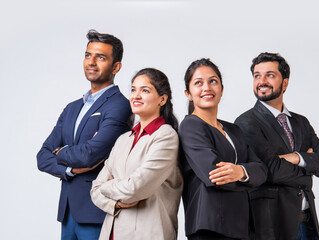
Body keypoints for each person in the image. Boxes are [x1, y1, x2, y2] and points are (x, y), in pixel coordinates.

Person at [234, 52, 319, 240]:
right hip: (272, 225)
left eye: (270, 75)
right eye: (257, 75)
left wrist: (297, 157)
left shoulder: (301, 123)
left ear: (285, 82)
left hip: (307, 223)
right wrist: (308, 172)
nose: (262, 81)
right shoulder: (246, 122)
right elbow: (271, 170)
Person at [37, 30, 132, 239]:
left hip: (97, 210)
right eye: (88, 55)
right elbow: (42, 156)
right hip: (68, 212)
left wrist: (60, 151)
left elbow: (91, 154)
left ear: (116, 66)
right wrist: (70, 169)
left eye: (101, 57)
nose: (91, 62)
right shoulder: (71, 108)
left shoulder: (120, 105)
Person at [179, 58, 267, 240]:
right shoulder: (191, 126)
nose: (207, 88)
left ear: (221, 88)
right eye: (198, 83)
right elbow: (214, 175)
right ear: (188, 93)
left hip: (241, 225)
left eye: (213, 81)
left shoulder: (234, 130)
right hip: (210, 227)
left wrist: (241, 171)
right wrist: (246, 176)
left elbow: (262, 170)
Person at [90, 68, 183, 240]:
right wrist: (116, 202)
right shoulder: (123, 139)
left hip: (147, 234)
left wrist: (107, 186)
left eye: (145, 90)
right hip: (111, 232)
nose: (136, 96)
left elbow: (134, 189)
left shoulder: (166, 136)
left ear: (162, 99)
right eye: (133, 90)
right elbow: (94, 190)